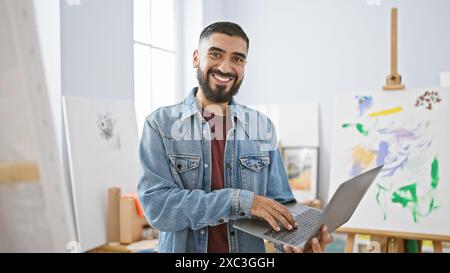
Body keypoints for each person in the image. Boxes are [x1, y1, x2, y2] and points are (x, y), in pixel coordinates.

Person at [137, 22, 332, 253]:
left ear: (244, 66)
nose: (225, 67)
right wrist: (239, 201)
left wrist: (295, 242)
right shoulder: (160, 125)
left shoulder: (262, 127)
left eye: (237, 59)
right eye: (216, 54)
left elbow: (280, 205)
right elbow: (158, 208)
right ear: (196, 58)